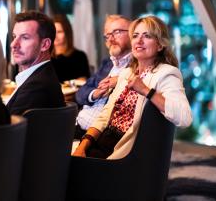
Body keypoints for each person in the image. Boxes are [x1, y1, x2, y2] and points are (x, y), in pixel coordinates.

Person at [73, 15, 193, 159]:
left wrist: (146, 91)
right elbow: (104, 117)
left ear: (160, 45)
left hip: (128, 151)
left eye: (147, 36)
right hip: (103, 140)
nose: (139, 40)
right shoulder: (127, 73)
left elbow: (185, 118)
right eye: (135, 36)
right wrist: (84, 144)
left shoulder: (166, 73)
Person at [74, 15, 132, 138]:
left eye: (117, 32)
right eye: (107, 35)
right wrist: (95, 94)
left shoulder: (137, 67)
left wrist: (122, 80)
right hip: (78, 124)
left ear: (133, 34)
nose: (111, 39)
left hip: (98, 135)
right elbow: (80, 94)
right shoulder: (107, 63)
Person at [6, 10, 65, 115]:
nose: (13, 44)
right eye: (15, 37)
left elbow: (8, 130)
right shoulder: (41, 77)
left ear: (45, 45)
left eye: (25, 37)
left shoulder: (36, 87)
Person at [51, 14, 90, 82]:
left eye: (59, 32)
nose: (55, 36)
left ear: (67, 33)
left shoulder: (79, 56)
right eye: (53, 32)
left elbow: (83, 81)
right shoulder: (45, 57)